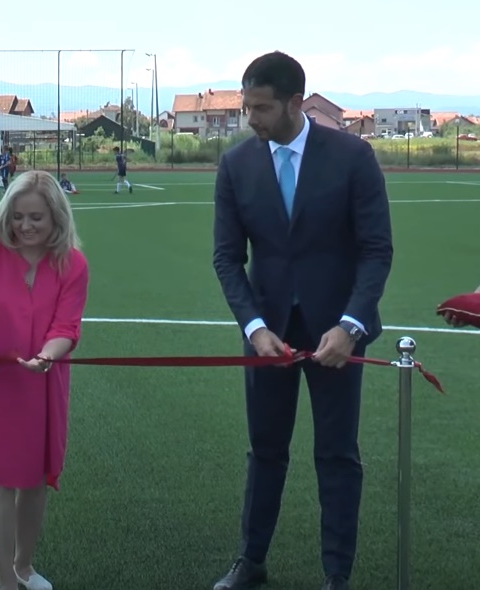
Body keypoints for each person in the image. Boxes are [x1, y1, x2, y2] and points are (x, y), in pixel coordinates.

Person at [210, 51, 393, 590]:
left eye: (261, 109)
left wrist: (351, 325)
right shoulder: (236, 165)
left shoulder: (353, 157)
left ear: (295, 102)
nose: (252, 120)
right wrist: (254, 327)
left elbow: (376, 250)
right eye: (247, 108)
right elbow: (226, 257)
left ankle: (337, 574)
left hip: (338, 335)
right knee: (265, 450)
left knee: (337, 454)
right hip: (266, 336)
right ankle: (251, 561)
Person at [0, 170, 90, 590]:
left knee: (34, 480)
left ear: (56, 221)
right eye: (18, 217)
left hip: (45, 385)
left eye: (36, 219)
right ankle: (5, 577)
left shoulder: (73, 263)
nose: (25, 227)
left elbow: (68, 324)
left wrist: (48, 356)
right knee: (0, 478)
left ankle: (25, 565)